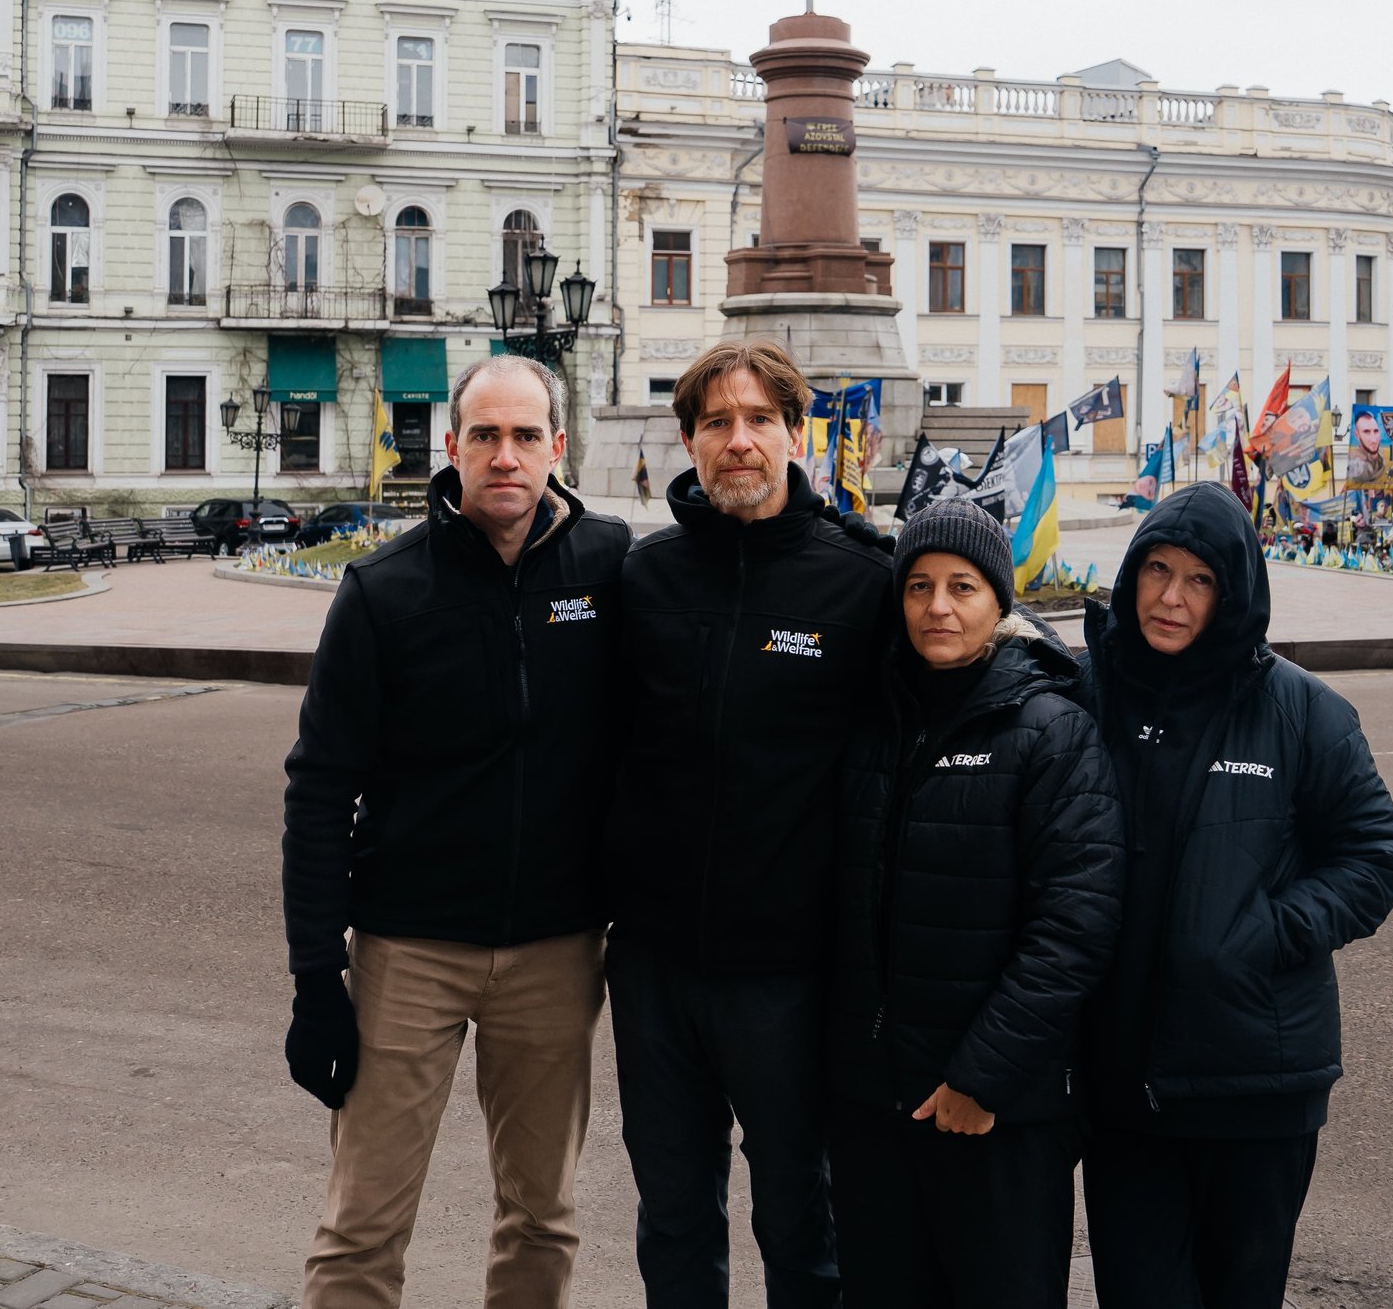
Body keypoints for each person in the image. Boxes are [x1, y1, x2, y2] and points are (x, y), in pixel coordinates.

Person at [281, 354, 630, 1309]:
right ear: (452, 447)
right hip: (409, 951)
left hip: (557, 952)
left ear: (559, 447)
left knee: (542, 1216)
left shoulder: (608, 565)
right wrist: (317, 979)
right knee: (362, 1226)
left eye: (526, 436)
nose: (506, 456)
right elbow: (317, 792)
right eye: (486, 435)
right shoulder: (385, 590)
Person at [607, 338, 893, 1307]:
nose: (739, 440)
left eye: (759, 419)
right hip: (655, 971)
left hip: (792, 979)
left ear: (794, 432)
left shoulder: (860, 583)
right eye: (718, 422)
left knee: (802, 1230)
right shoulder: (642, 581)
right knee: (674, 1224)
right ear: (687, 438)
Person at [1077, 483, 1393, 1309]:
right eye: (1155, 570)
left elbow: (1375, 854)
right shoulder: (1086, 695)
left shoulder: (1302, 711)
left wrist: (1264, 930)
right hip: (1122, 1082)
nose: (1170, 597)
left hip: (1257, 1081)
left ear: (1234, 592)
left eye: (1198, 579)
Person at [827, 501, 1123, 1309]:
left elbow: (1075, 925)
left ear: (1000, 600)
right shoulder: (873, 717)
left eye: (963, 585)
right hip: (876, 1104)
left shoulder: (1050, 728)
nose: (938, 606)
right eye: (918, 585)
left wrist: (981, 1080)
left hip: (996, 1115)